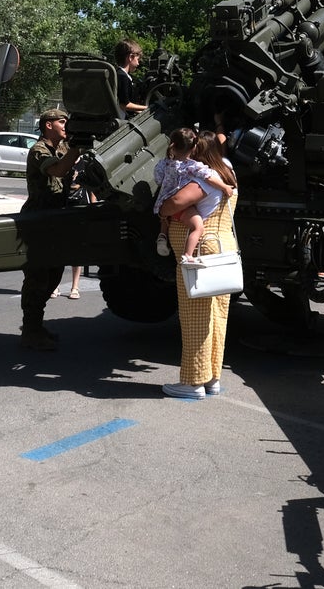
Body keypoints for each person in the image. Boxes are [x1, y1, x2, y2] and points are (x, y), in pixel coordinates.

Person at [158, 129, 238, 399]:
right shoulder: (227, 170)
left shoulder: (200, 177)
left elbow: (174, 204)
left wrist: (163, 207)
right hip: (222, 244)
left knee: (195, 317)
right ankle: (212, 377)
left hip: (200, 251)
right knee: (217, 315)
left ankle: (193, 383)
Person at [18, 108, 82, 350]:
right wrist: (76, 148)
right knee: (37, 277)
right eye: (62, 121)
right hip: (39, 218)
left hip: (57, 216)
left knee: (54, 275)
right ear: (48, 125)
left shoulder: (64, 147)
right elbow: (57, 170)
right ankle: (30, 330)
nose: (66, 126)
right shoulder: (39, 150)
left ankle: (36, 325)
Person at [152, 127, 235, 262]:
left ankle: (165, 237)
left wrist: (162, 212)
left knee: (191, 225)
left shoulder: (164, 163)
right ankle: (187, 254)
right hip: (218, 243)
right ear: (194, 147)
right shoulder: (197, 167)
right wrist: (225, 187)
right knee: (197, 227)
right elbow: (207, 177)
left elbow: (163, 186)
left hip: (203, 249)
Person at [115, 38, 147, 119]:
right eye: (138, 59)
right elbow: (125, 105)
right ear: (130, 57)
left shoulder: (116, 73)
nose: (138, 63)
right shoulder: (122, 77)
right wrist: (147, 108)